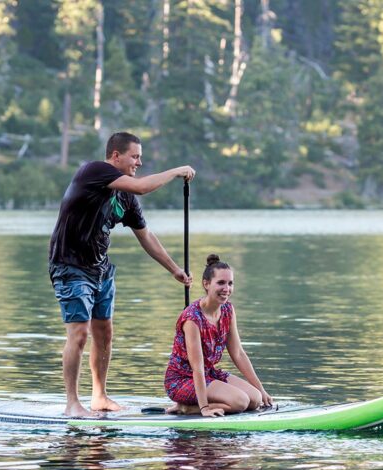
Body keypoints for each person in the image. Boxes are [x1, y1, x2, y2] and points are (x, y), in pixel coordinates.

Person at [49, 132, 195, 417]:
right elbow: (142, 187)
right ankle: (71, 403)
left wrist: (175, 269)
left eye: (140, 157)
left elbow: (146, 236)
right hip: (70, 266)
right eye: (135, 156)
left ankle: (99, 396)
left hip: (101, 269)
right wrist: (176, 171)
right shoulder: (94, 170)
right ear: (116, 155)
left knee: (105, 334)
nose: (139, 162)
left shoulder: (125, 198)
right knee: (79, 334)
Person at [164, 254, 272, 417]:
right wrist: (204, 408)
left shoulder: (228, 310)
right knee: (240, 402)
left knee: (255, 399)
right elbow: (197, 367)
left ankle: (201, 404)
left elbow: (238, 354)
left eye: (230, 283)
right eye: (221, 283)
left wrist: (262, 389)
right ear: (206, 284)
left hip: (208, 373)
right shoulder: (192, 318)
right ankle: (187, 408)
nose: (226, 288)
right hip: (182, 380)